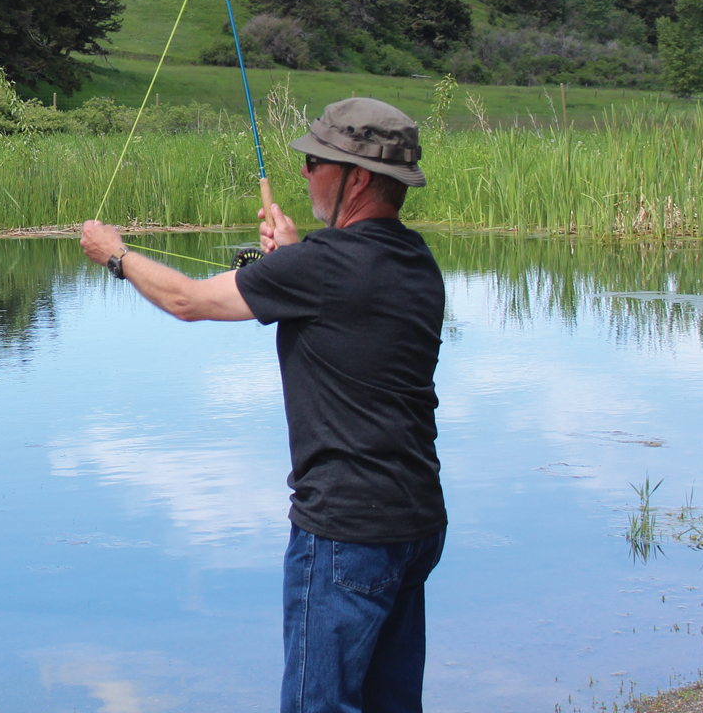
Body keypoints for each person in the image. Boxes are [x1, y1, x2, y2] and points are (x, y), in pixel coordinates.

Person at [80, 97, 445, 713]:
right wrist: (295, 256)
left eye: (316, 162)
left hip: (345, 532)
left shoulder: (321, 269)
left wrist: (115, 253)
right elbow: (344, 309)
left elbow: (188, 302)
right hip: (415, 523)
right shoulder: (418, 262)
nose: (304, 174)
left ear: (356, 177)